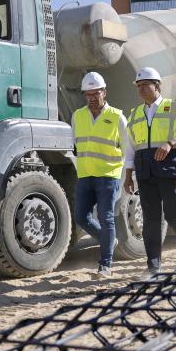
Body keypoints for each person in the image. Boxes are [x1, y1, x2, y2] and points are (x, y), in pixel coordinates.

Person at [123, 67, 176, 279]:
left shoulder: (174, 107)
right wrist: (129, 175)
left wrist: (169, 143)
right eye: (139, 86)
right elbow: (130, 147)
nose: (141, 89)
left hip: (168, 171)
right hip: (145, 172)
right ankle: (153, 266)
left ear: (157, 85)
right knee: (151, 220)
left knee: (175, 215)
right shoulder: (135, 114)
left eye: (145, 84)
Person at [72, 72, 130, 278]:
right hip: (86, 175)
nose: (91, 98)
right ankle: (108, 239)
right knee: (80, 216)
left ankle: (105, 265)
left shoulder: (117, 117)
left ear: (104, 92)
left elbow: (128, 148)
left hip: (108, 176)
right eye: (87, 95)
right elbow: (75, 146)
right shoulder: (77, 116)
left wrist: (125, 177)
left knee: (106, 219)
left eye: (95, 93)